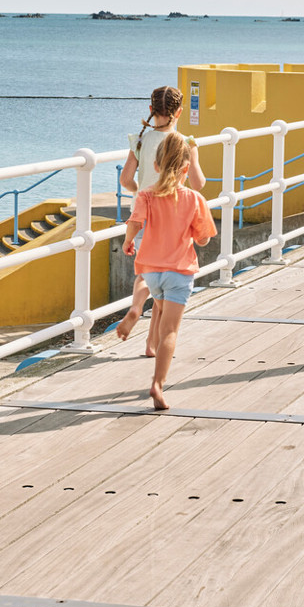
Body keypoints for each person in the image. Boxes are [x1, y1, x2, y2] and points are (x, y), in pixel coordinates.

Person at [116, 131, 216, 410]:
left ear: (157, 166)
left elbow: (135, 222)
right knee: (169, 331)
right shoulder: (195, 199)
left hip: (151, 272)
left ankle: (136, 308)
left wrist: (127, 242)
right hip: (179, 271)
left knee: (160, 321)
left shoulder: (146, 195)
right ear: (186, 168)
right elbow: (203, 238)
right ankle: (158, 384)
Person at [119, 85, 205, 354]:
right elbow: (199, 183)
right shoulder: (185, 143)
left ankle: (138, 313)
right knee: (166, 282)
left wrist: (140, 191)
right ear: (179, 112)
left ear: (150, 110)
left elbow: (125, 181)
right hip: (175, 216)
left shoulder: (139, 141)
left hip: (143, 214)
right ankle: (151, 343)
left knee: (149, 272)